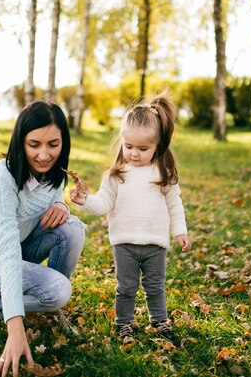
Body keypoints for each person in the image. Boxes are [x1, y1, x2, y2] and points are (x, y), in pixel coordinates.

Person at [0, 101, 85, 376]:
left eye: (53, 144)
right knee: (58, 289)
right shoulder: (1, 179)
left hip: (16, 248)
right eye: (34, 144)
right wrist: (15, 325)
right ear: (20, 142)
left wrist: (62, 205)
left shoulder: (52, 174)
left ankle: (50, 308)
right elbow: (7, 251)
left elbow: (50, 197)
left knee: (72, 227)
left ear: (63, 143)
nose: (44, 155)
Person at [69, 92, 191, 344]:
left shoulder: (163, 172)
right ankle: (124, 322)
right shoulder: (116, 175)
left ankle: (159, 322)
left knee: (155, 287)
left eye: (143, 148)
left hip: (155, 243)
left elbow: (174, 204)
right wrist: (85, 201)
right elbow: (104, 203)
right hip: (124, 242)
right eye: (129, 146)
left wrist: (180, 231)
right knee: (126, 287)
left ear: (158, 145)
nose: (134, 153)